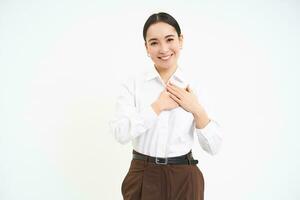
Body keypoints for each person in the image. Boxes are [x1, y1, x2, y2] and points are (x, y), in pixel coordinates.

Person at [109, 12, 223, 200]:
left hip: (184, 176)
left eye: (169, 39)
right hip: (143, 174)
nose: (163, 49)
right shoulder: (133, 84)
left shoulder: (196, 85)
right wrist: (156, 107)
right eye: (154, 42)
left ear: (180, 40)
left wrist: (196, 108)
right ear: (146, 47)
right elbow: (120, 133)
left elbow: (214, 147)